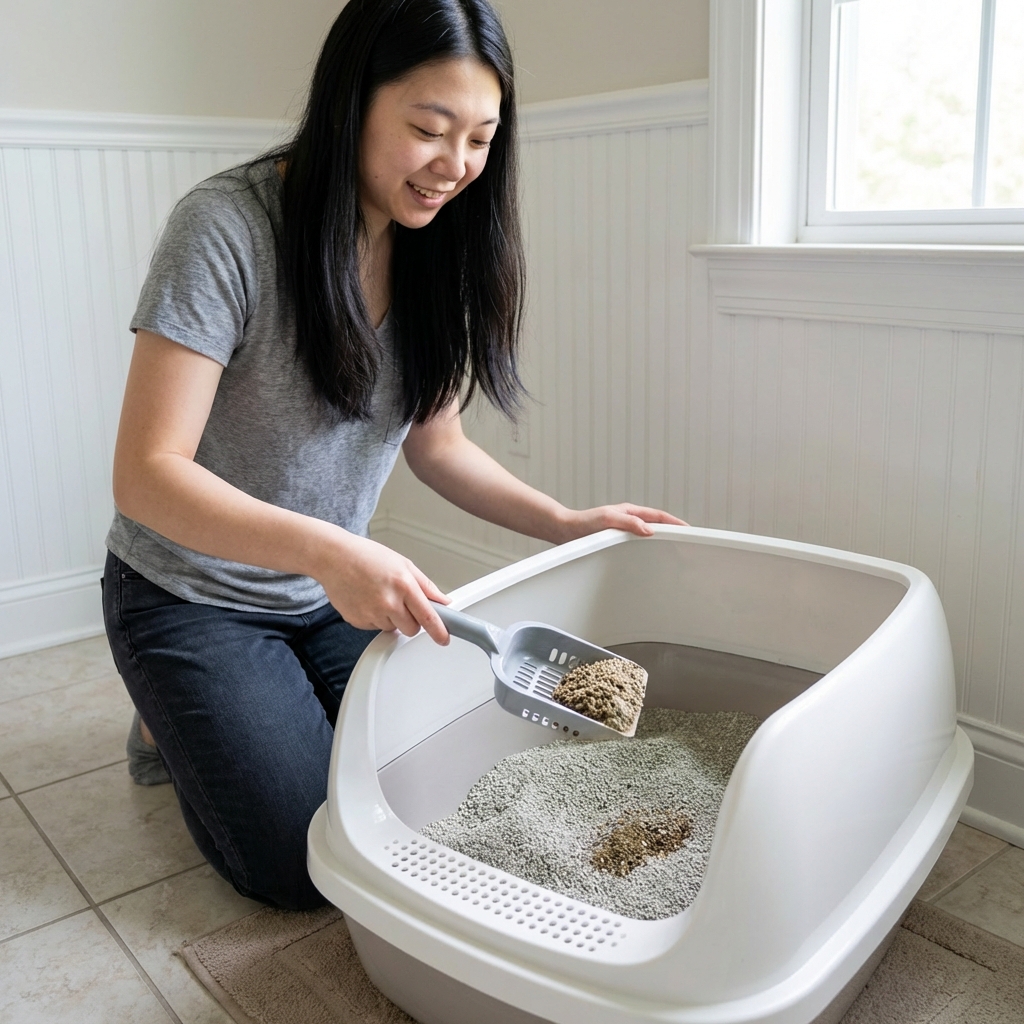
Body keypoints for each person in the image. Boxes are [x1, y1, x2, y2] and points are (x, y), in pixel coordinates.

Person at [102, 0, 684, 911]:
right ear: (350, 103)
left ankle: (239, 704)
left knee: (423, 790)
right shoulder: (226, 227)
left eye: (482, 140)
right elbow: (146, 474)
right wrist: (334, 549)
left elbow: (437, 444)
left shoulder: (436, 251)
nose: (455, 167)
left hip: (328, 595)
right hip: (188, 595)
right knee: (300, 863)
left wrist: (566, 523)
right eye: (428, 129)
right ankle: (166, 716)